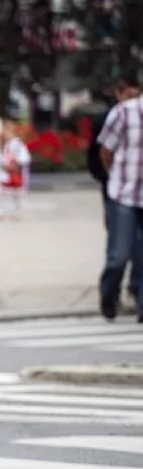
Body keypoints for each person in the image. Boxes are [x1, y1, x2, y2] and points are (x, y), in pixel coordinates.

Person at [89, 79, 142, 313]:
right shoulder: (124, 113)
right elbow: (104, 151)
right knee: (119, 255)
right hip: (123, 193)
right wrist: (112, 176)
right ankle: (108, 295)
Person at [0, 120, 31, 220]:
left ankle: (18, 210)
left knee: (17, 193)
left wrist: (17, 164)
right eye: (5, 131)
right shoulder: (3, 145)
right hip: (5, 171)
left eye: (8, 131)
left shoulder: (18, 144)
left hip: (15, 172)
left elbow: (25, 158)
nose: (6, 134)